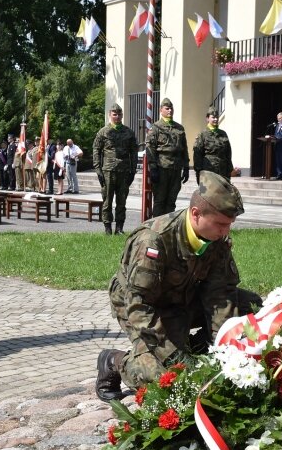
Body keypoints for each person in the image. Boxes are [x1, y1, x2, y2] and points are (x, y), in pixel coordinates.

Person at [95, 171, 262, 401]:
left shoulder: (216, 239)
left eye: (230, 224)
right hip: (146, 308)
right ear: (196, 214)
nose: (226, 231)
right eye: (221, 224)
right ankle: (114, 361)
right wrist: (175, 358)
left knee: (250, 306)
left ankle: (196, 352)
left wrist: (224, 347)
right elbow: (139, 307)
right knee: (163, 376)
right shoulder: (153, 240)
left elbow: (220, 294)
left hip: (183, 298)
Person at [92, 103, 138, 235]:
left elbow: (133, 152)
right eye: (114, 114)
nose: (117, 117)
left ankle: (119, 228)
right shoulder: (103, 132)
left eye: (119, 114)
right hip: (108, 171)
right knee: (107, 200)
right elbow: (96, 151)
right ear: (109, 115)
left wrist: (133, 170)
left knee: (121, 201)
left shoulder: (128, 132)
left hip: (124, 171)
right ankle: (107, 228)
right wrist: (98, 171)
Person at [146, 98, 189, 217]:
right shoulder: (156, 128)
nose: (170, 111)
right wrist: (153, 168)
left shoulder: (179, 128)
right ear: (161, 110)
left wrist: (186, 167)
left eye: (171, 108)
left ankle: (168, 229)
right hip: (161, 168)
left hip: (176, 168)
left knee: (171, 201)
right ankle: (157, 228)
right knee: (160, 200)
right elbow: (150, 149)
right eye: (167, 108)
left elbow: (184, 149)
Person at [193, 108, 233, 183]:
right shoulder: (203, 134)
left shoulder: (223, 134)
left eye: (217, 117)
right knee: (209, 194)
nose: (215, 119)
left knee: (222, 193)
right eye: (213, 117)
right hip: (208, 170)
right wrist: (198, 172)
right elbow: (197, 155)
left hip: (222, 171)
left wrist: (229, 169)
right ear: (207, 118)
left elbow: (228, 153)